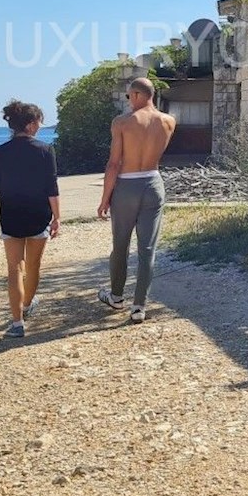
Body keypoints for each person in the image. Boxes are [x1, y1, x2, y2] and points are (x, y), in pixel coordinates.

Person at [96, 77, 175, 323]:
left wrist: (104, 198)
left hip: (127, 185)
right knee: (147, 249)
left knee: (120, 245)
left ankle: (117, 296)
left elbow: (114, 163)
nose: (129, 101)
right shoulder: (169, 121)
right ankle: (139, 306)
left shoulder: (122, 122)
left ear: (138, 95)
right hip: (153, 183)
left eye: (130, 96)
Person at [0, 100, 60, 338]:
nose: (40, 126)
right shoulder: (45, 150)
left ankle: (17, 323)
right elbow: (52, 187)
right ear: (30, 125)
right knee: (33, 266)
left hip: (10, 213)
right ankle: (28, 304)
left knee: (14, 268)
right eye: (39, 122)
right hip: (38, 213)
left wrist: (8, 201)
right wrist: (57, 217)